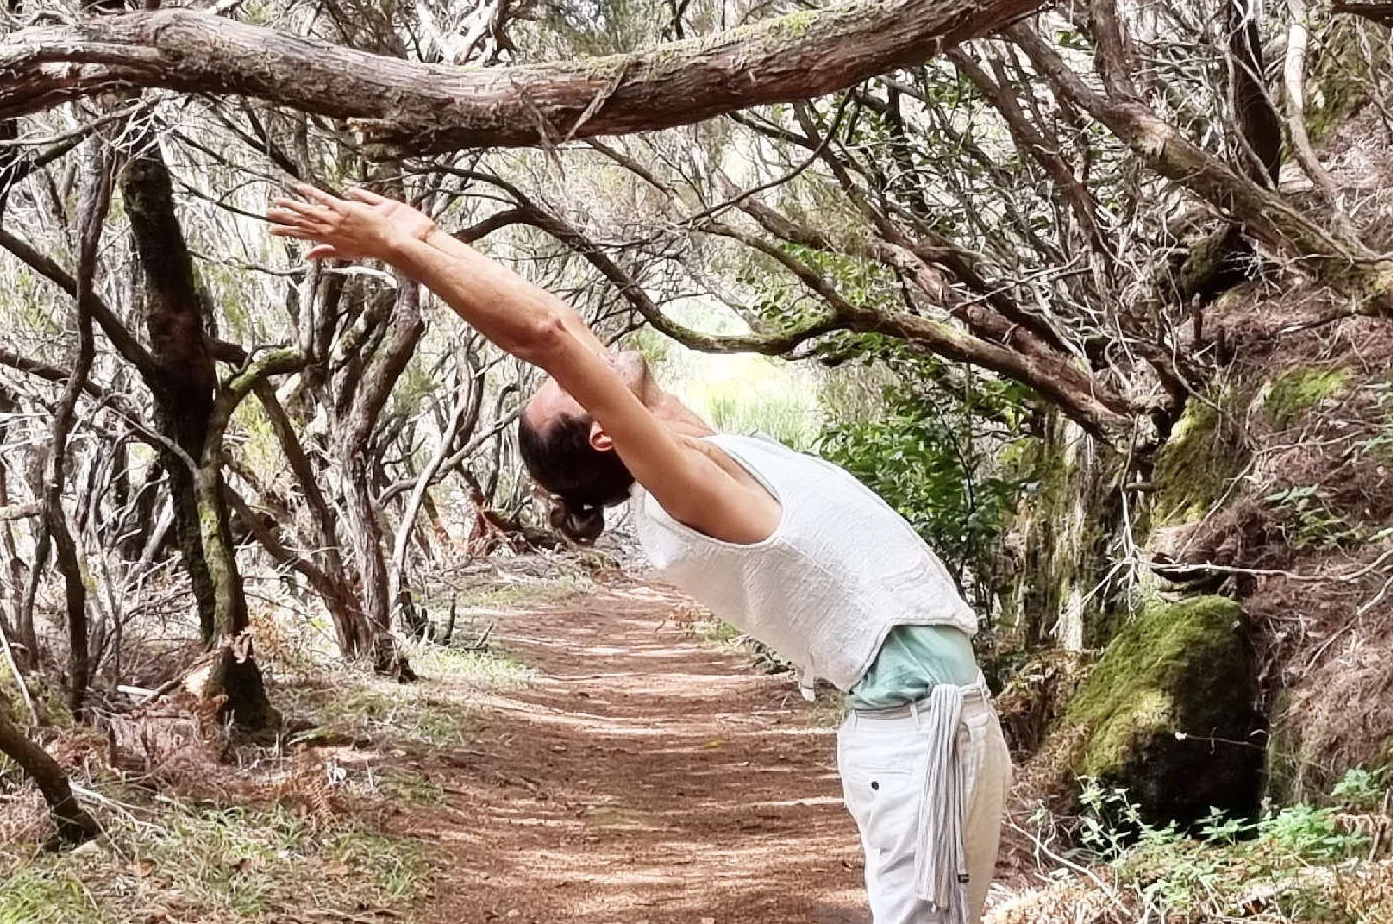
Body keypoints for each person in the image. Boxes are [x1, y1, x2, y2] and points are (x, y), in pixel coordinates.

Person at [267, 183, 1012, 924]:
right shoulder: (685, 495)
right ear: (604, 435)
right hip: (922, 728)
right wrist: (403, 253)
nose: (575, 365)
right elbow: (548, 334)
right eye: (566, 387)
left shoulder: (701, 447)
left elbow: (569, 335)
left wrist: (428, 239)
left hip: (938, 720)